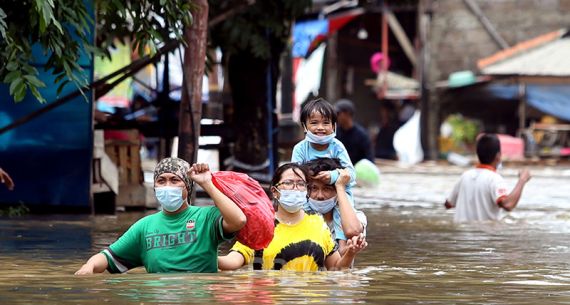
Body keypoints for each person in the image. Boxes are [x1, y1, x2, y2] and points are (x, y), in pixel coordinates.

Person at [75, 157, 246, 275]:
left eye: (174, 180)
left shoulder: (207, 217)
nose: (167, 186)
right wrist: (88, 266)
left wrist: (206, 183)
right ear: (155, 187)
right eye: (161, 181)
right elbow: (106, 257)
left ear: (187, 186)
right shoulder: (144, 227)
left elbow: (238, 220)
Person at [218, 163, 366, 271]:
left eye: (301, 184)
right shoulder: (260, 226)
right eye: (288, 183)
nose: (295, 188)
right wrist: (204, 255)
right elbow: (233, 261)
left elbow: (336, 269)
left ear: (306, 191)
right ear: (275, 192)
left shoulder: (318, 224)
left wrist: (350, 253)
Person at [291, 97, 358, 243]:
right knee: (300, 207)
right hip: (310, 192)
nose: (320, 127)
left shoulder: (337, 146)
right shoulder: (300, 148)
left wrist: (332, 176)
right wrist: (310, 176)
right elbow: (294, 174)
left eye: (325, 123)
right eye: (314, 123)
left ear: (334, 126)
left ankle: (341, 243)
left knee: (343, 211)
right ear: (304, 126)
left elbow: (351, 174)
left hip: (336, 192)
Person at [444, 134, 532, 222]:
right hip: (485, 234)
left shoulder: (465, 176)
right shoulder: (495, 179)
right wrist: (522, 180)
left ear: (477, 154)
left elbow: (448, 205)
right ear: (498, 156)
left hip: (463, 233)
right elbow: (508, 205)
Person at [304, 157, 367, 256]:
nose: (320, 196)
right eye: (314, 188)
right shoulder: (299, 216)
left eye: (327, 189)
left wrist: (340, 186)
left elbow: (353, 231)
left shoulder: (356, 217)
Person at [334, 99, 373, 164]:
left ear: (347, 114)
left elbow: (368, 160)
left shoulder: (361, 135)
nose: (336, 116)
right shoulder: (335, 133)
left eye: (338, 113)